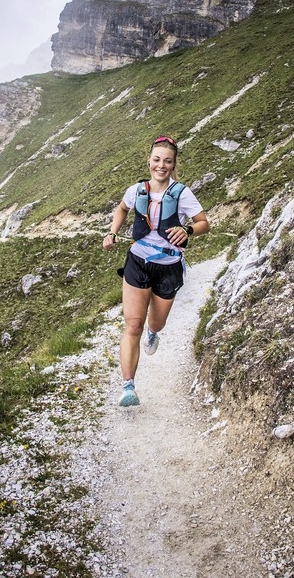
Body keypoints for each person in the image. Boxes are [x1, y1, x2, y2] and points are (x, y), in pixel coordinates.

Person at [102, 135, 210, 407]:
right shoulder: (136, 190)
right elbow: (122, 209)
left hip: (169, 267)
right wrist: (112, 232)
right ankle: (128, 387)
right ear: (149, 161)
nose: (161, 165)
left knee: (155, 322)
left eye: (168, 161)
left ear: (174, 165)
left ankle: (154, 331)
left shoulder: (182, 193)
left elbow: (204, 224)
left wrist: (187, 229)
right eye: (157, 160)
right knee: (133, 324)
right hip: (137, 261)